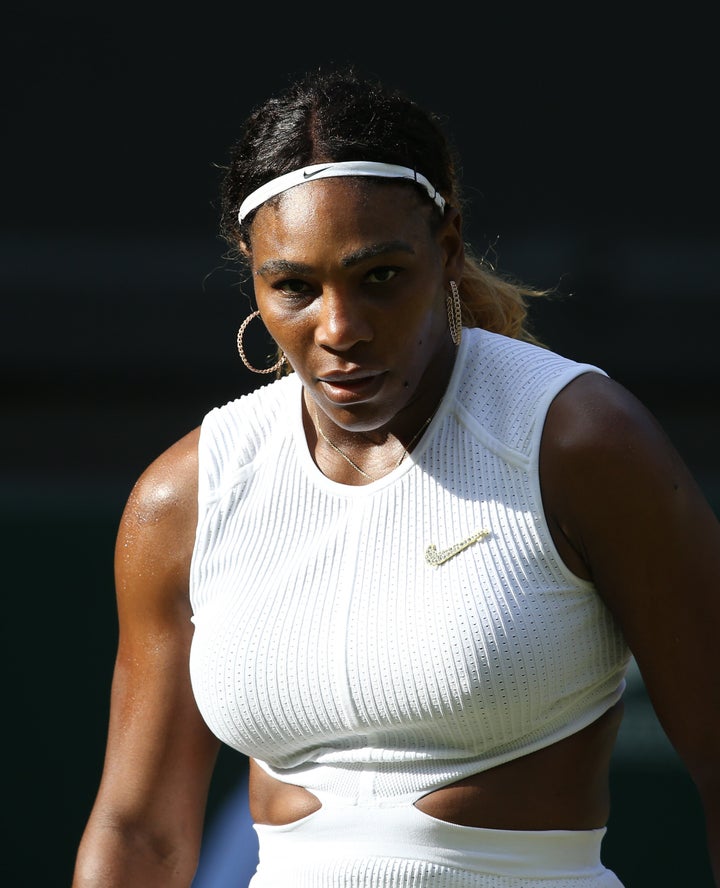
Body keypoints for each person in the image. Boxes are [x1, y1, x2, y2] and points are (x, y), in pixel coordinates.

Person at [72, 66, 720, 888]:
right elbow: (140, 832)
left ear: (446, 250)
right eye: (295, 287)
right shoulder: (183, 497)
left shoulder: (580, 440)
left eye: (379, 276)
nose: (340, 329)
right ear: (254, 279)